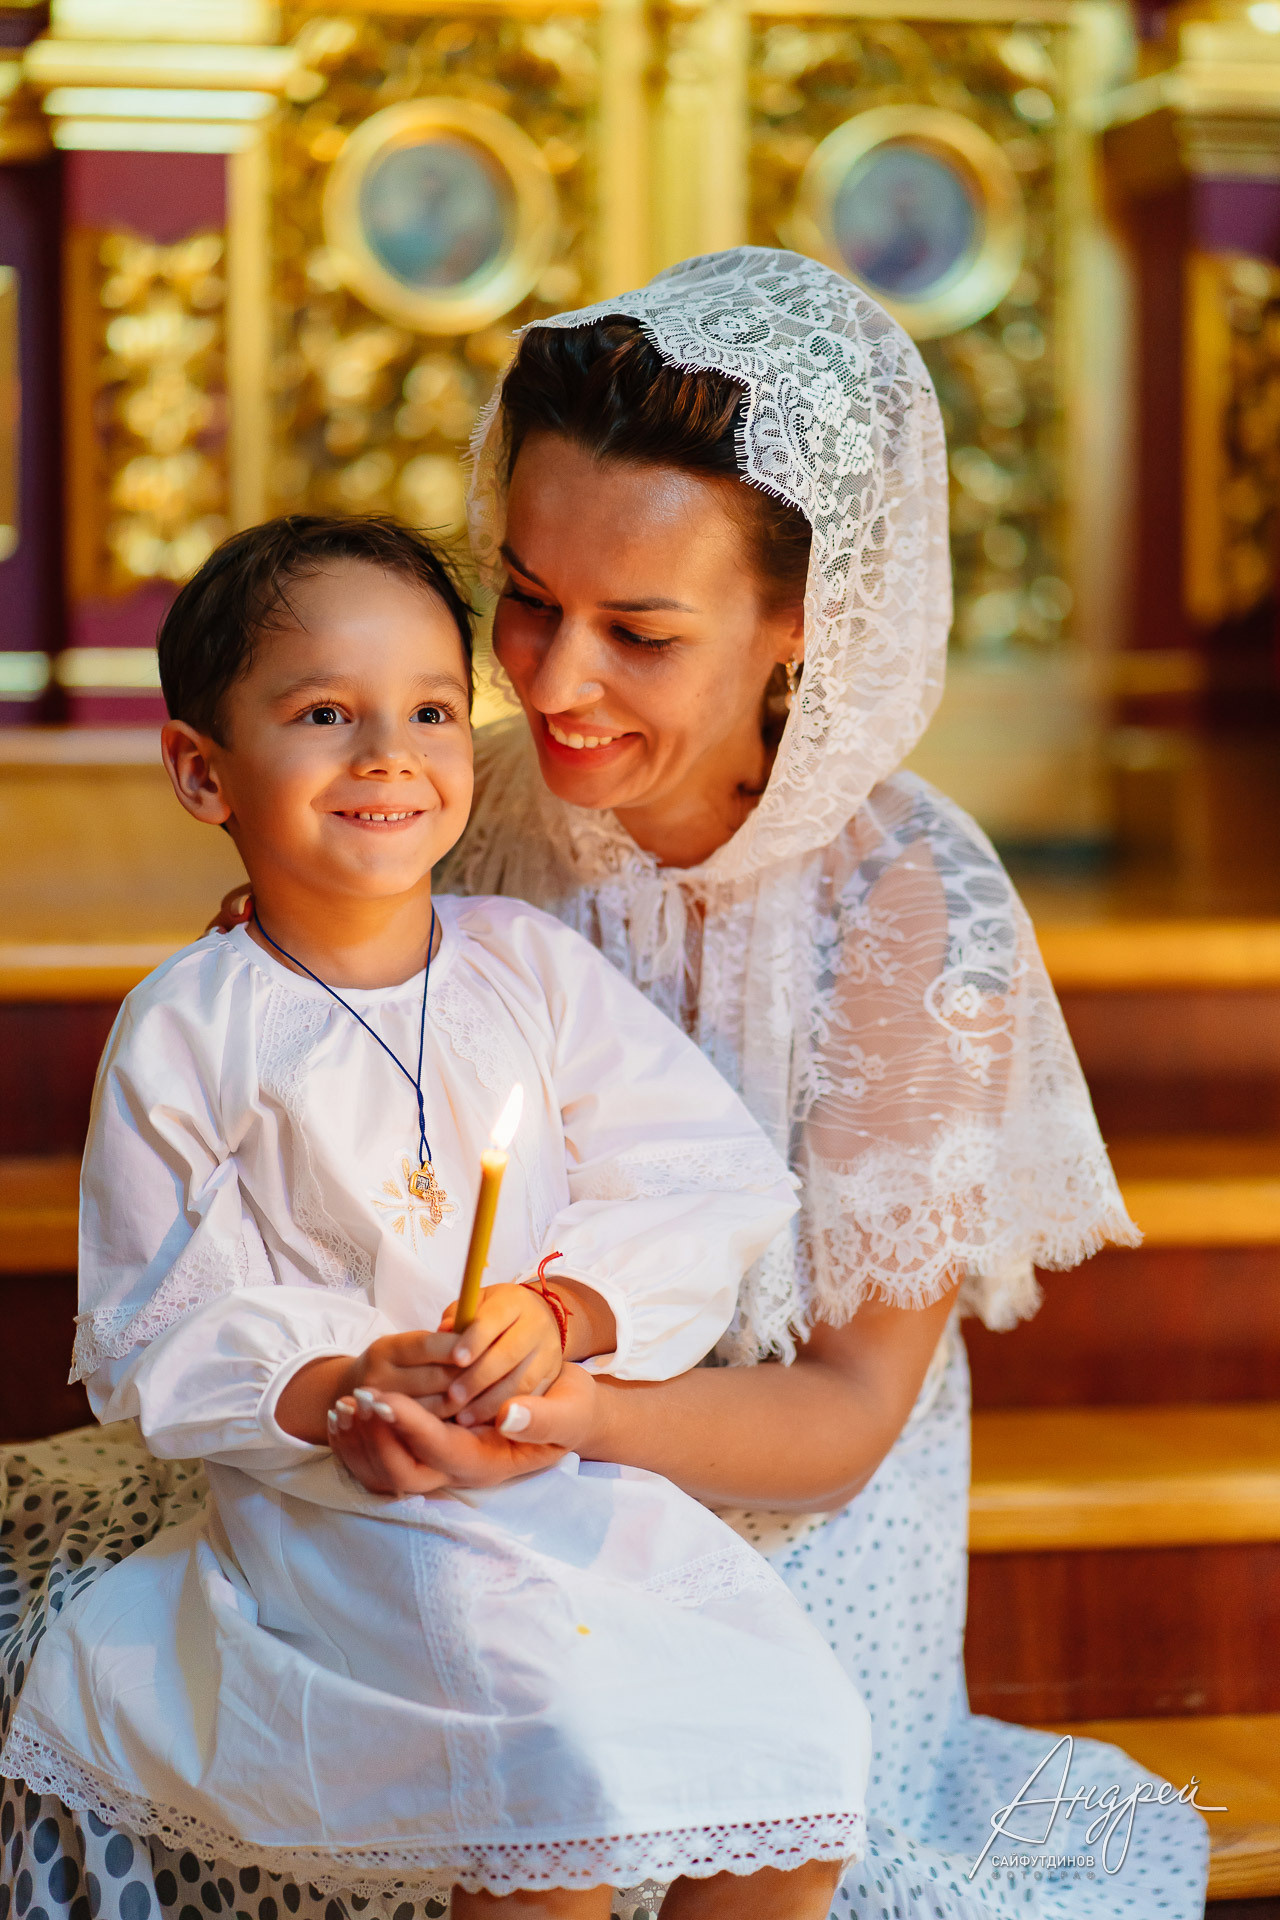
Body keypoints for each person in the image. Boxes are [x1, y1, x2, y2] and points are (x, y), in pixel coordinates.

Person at [0, 249, 1209, 1920]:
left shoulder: (909, 903)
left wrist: (571, 1404)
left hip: (763, 1506)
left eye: (640, 632)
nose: (552, 684)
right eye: (526, 597)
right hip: (400, 1471)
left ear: (801, 624)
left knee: (706, 1790)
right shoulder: (438, 794)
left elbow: (845, 1413)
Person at [0, 515, 872, 1920]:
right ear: (202, 770)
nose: (388, 755)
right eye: (324, 715)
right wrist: (344, 1384)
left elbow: (698, 1172)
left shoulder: (525, 964)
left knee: (793, 1738)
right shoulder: (190, 1028)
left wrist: (562, 1312)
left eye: (428, 710)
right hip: (349, 1515)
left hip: (554, 1477)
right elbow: (153, 1326)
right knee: (554, 1764)